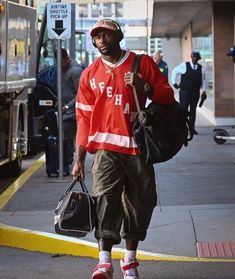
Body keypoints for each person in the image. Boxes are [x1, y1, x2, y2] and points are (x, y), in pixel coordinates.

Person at [72, 19, 174, 279]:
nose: (101, 40)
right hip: (105, 150)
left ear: (118, 35)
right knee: (105, 200)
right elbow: (83, 119)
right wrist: (79, 158)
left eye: (106, 34)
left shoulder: (142, 63)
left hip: (138, 148)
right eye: (96, 37)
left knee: (141, 203)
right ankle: (103, 262)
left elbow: (167, 96)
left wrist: (145, 87)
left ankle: (129, 261)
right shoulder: (89, 74)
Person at [55, 48, 83, 166]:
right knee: (64, 136)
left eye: (62, 62)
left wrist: (67, 106)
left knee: (67, 136)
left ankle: (67, 162)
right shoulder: (62, 69)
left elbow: (80, 94)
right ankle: (65, 163)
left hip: (71, 112)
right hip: (64, 110)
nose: (60, 65)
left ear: (67, 58)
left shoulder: (76, 71)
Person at [171, 51, 207, 135]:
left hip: (195, 93)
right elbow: (175, 71)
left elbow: (203, 80)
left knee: (193, 111)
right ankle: (182, 129)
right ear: (192, 57)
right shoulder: (184, 65)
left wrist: (204, 91)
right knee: (183, 110)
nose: (196, 59)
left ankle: (191, 129)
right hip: (184, 92)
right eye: (194, 58)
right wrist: (174, 83)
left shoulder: (201, 68)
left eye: (197, 58)